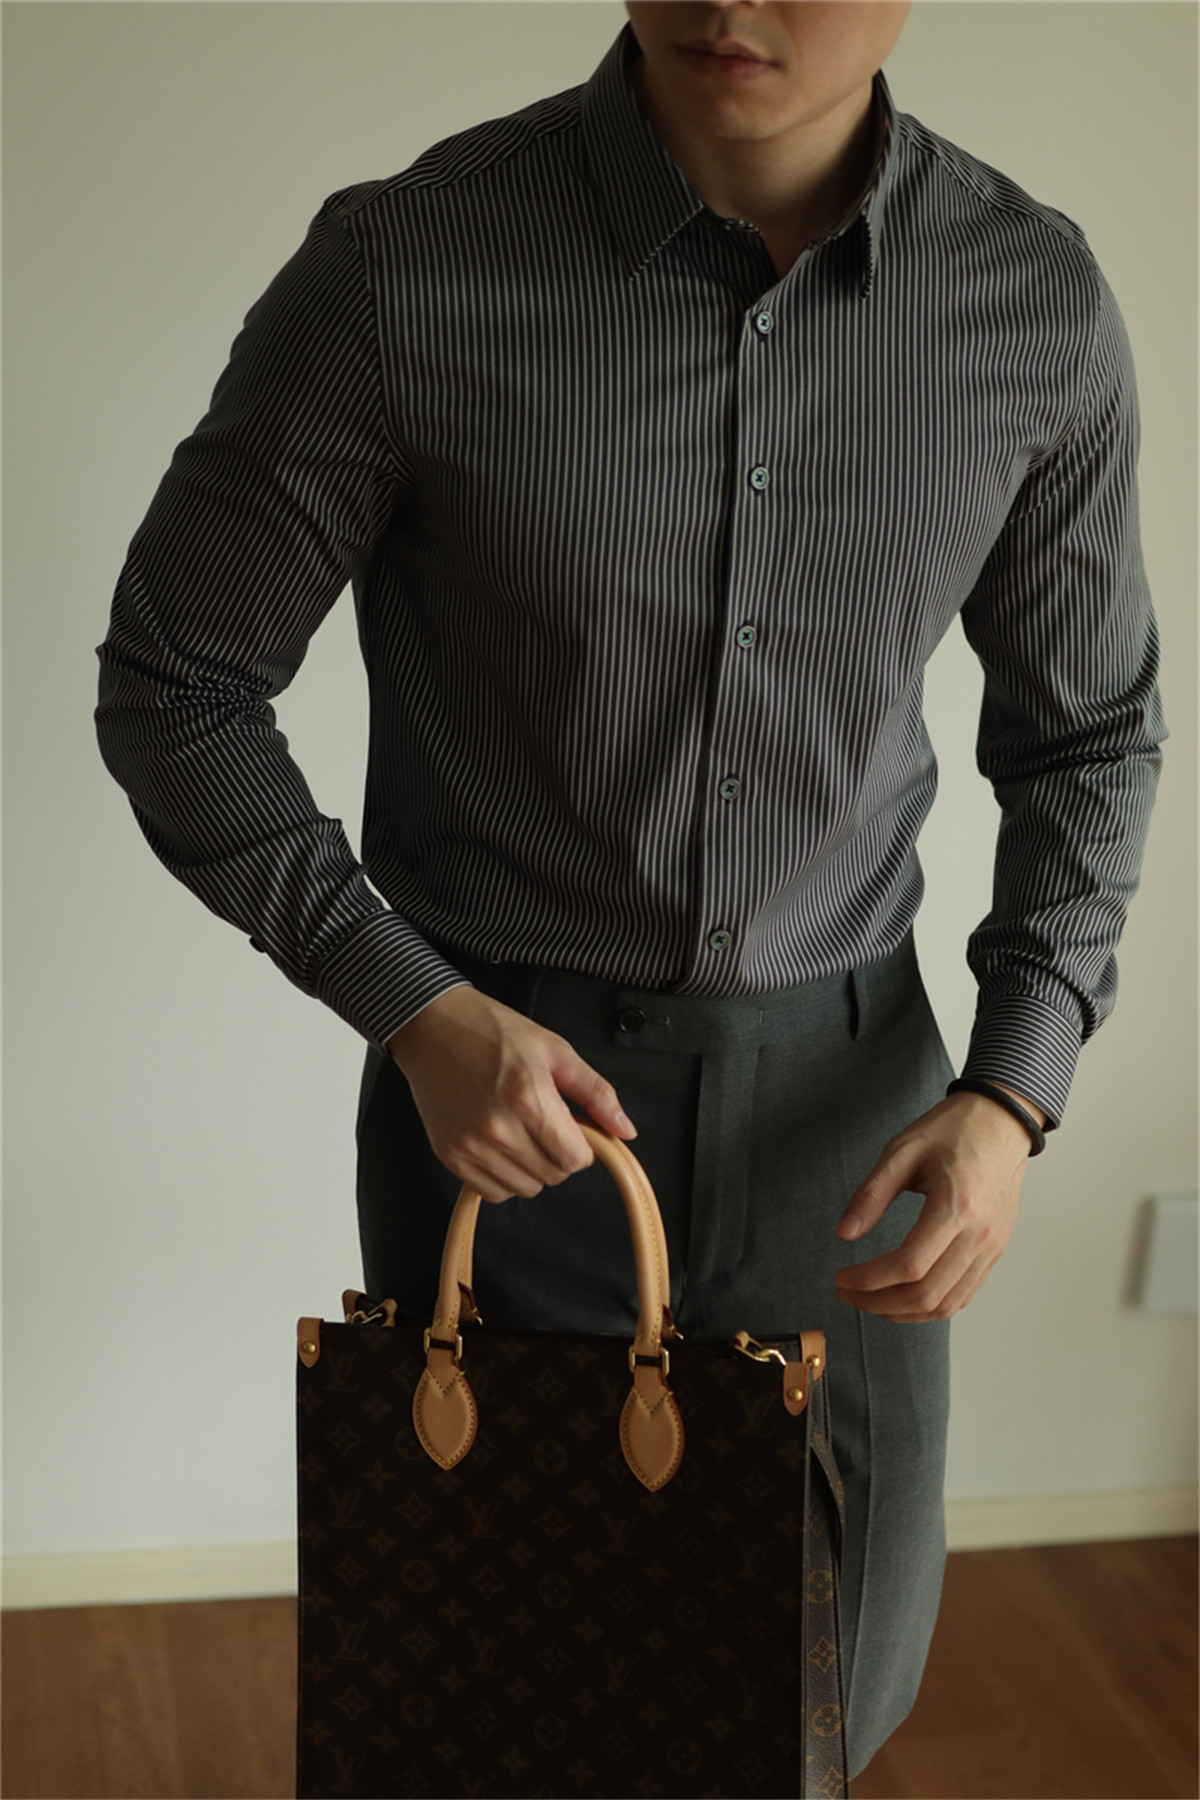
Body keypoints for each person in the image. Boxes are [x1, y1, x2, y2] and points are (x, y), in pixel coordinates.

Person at [96, 0, 1164, 1776]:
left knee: (826, 1702)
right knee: (518, 1710)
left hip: (861, 1137)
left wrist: (1013, 1089)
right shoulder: (406, 271)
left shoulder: (1029, 304)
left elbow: (1091, 737)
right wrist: (417, 1011)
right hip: (508, 1120)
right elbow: (177, 686)